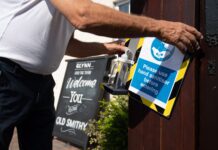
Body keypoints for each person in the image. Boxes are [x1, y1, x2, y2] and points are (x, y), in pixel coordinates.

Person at [0, 0, 203, 150]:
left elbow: (67, 44)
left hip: (40, 85)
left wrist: (105, 48)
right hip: (7, 75)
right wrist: (159, 28)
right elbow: (83, 15)